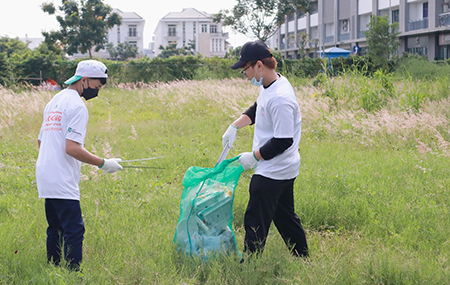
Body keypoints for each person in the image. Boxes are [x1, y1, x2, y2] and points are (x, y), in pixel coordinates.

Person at [222, 40, 308, 258]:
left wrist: (253, 157)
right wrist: (235, 125)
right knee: (285, 217)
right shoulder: (271, 85)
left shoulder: (280, 98)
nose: (245, 75)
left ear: (259, 65)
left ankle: (250, 266)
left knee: (255, 221)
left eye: (245, 70)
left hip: (273, 170)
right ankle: (303, 258)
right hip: (283, 167)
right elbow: (258, 107)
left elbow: (283, 140)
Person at [35, 59, 123, 271]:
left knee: (55, 227)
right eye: (96, 86)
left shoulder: (55, 101)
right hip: (61, 176)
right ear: (84, 80)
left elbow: (40, 140)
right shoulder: (77, 106)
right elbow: (72, 148)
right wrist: (104, 163)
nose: (96, 92)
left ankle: (54, 267)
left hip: (45, 172)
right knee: (74, 229)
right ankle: (73, 274)